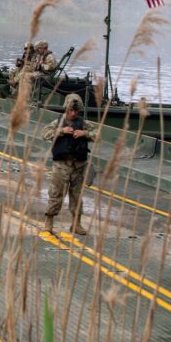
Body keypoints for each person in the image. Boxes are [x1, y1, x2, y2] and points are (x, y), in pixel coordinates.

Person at [42, 93, 97, 235]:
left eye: (76, 111)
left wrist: (84, 133)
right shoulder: (58, 122)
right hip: (62, 165)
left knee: (77, 196)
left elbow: (98, 135)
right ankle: (49, 222)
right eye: (70, 111)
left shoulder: (83, 123)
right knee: (56, 194)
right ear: (66, 109)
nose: (73, 114)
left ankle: (76, 224)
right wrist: (61, 131)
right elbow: (45, 134)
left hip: (78, 165)